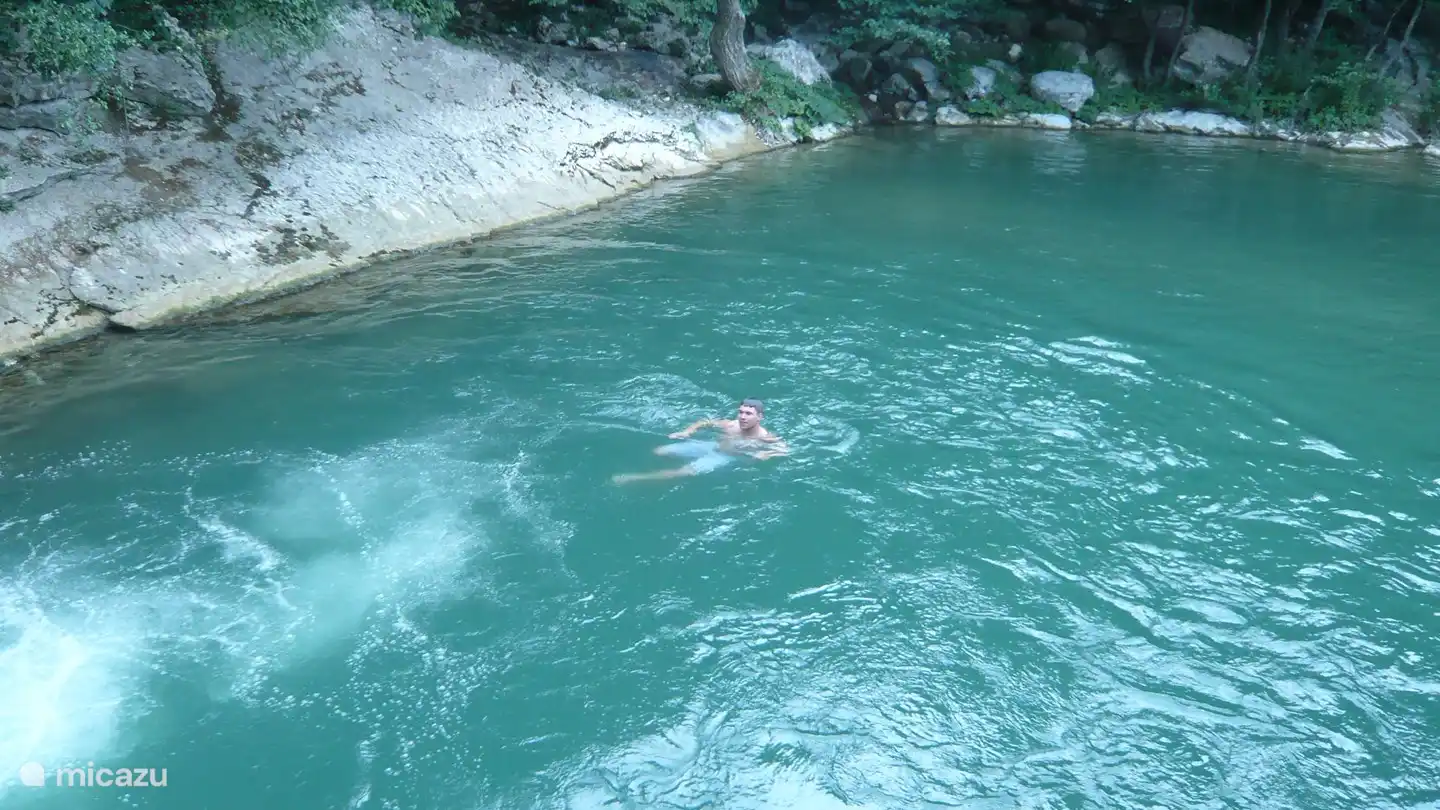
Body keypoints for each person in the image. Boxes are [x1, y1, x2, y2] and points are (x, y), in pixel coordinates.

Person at [611, 398, 788, 484]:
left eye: (748, 414)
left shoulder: (764, 437)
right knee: (659, 450)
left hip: (727, 457)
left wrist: (767, 453)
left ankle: (634, 478)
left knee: (684, 472)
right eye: (740, 412)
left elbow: (786, 450)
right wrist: (687, 432)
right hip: (713, 447)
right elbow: (705, 422)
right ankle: (650, 466)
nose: (742, 417)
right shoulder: (731, 425)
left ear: (760, 417)